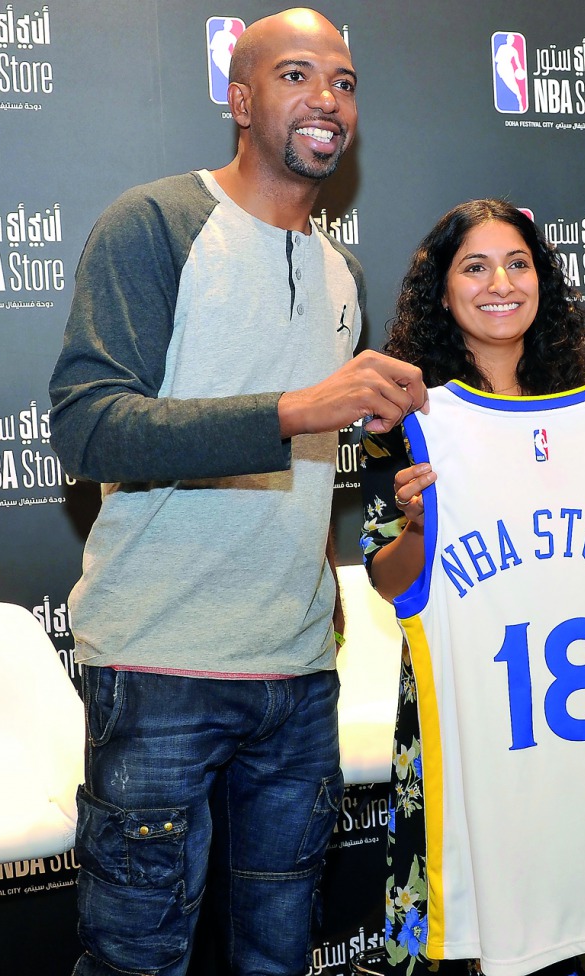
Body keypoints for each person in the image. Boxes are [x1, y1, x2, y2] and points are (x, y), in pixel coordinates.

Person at [48, 10, 425, 976]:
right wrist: (299, 408)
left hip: (297, 675)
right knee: (139, 960)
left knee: (277, 958)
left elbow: (308, 476)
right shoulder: (156, 224)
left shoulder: (344, 274)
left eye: (343, 83)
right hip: (161, 666)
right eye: (297, 76)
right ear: (242, 98)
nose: (327, 102)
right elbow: (90, 428)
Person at [360, 199, 585, 976]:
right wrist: (419, 525)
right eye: (473, 267)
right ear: (441, 292)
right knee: (466, 922)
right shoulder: (411, 418)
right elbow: (389, 581)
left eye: (517, 263)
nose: (500, 283)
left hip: (579, 739)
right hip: (461, 711)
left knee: (568, 929)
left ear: (541, 279)